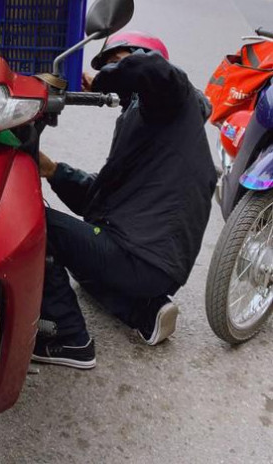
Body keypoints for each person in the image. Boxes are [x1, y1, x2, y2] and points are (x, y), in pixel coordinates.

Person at [33, 31, 216, 369]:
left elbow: (155, 72)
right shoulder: (155, 127)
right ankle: (145, 311)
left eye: (118, 61)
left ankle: (70, 338)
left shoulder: (173, 99)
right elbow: (101, 200)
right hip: (155, 264)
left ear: (142, 56)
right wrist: (54, 170)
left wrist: (101, 78)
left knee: (33, 225)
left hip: (141, 256)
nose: (112, 72)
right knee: (81, 266)